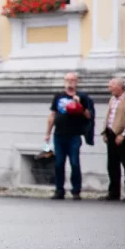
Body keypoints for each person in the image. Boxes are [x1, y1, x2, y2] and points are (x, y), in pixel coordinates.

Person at [45, 72, 94, 200]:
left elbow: (89, 115)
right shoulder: (58, 96)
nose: (69, 82)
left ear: (76, 82)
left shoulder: (82, 97)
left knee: (74, 163)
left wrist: (80, 105)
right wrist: (48, 133)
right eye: (67, 80)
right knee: (59, 163)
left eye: (72, 80)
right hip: (59, 135)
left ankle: (76, 191)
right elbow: (52, 115)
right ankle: (59, 190)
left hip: (74, 136)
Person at [101, 77, 125, 202]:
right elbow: (109, 117)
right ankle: (114, 192)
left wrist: (123, 134)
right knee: (112, 165)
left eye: (111, 86)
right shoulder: (112, 99)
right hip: (111, 133)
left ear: (119, 86)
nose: (109, 88)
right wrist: (105, 132)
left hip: (124, 136)